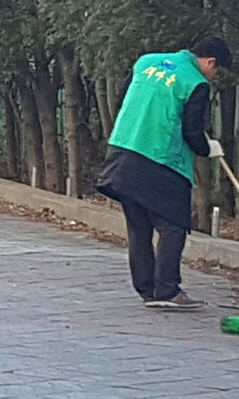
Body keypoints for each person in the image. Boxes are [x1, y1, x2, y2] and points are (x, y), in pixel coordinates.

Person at [95, 37, 231, 309]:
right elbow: (192, 132)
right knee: (173, 225)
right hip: (159, 159)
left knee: (139, 226)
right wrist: (207, 148)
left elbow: (126, 100)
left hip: (122, 151)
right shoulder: (196, 83)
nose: (214, 77)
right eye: (217, 71)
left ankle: (147, 290)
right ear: (210, 61)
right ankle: (167, 291)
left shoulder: (145, 62)